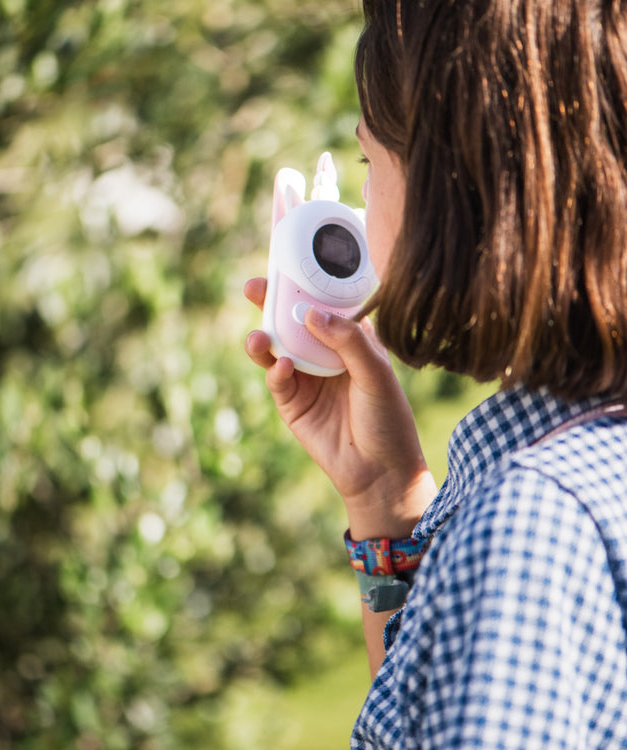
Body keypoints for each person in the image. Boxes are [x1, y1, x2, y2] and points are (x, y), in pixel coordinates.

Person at [244, 0, 627, 747]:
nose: (358, 203)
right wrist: (386, 501)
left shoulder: (532, 532)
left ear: (451, 184)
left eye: (368, 160)